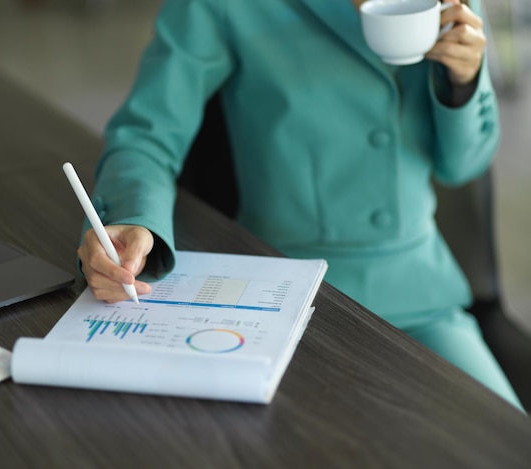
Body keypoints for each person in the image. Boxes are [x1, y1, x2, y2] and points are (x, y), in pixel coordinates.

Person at [77, 0, 524, 410]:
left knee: (502, 440)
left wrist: (465, 80)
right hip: (278, 294)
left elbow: (463, 168)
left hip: (419, 296)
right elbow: (148, 133)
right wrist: (131, 218)